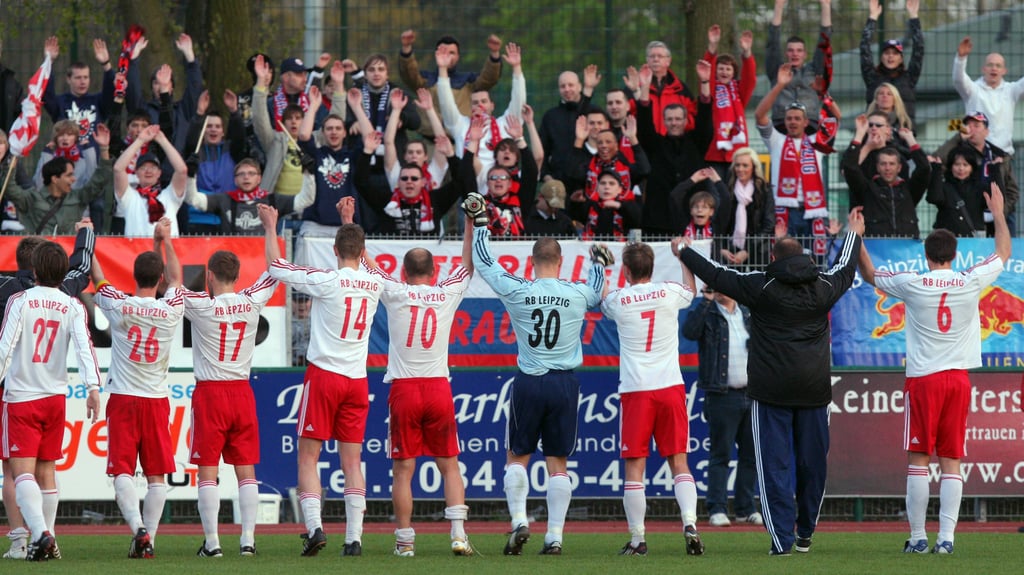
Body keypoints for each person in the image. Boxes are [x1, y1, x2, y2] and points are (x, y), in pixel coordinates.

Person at [677, 211, 862, 556]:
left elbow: (716, 274)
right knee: (813, 465)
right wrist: (853, 233)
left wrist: (684, 251)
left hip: (770, 393)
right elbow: (845, 267)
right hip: (814, 391)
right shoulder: (822, 288)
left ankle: (782, 540)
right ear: (805, 259)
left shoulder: (761, 287)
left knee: (774, 466)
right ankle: (805, 533)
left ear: (773, 258)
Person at [854, 183, 1010, 555]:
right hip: (958, 379)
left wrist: (855, 237)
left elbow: (870, 274)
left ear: (925, 255)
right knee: (952, 459)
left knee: (919, 459)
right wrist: (999, 214)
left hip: (923, 380)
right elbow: (1003, 251)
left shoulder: (912, 283)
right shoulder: (970, 279)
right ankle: (947, 540)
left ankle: (919, 537)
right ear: (955, 255)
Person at [467, 192, 607, 555]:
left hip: (529, 380)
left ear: (532, 261)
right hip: (564, 383)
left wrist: (481, 222)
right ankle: (555, 535)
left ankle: (518, 521)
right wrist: (598, 263)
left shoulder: (518, 289)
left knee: (517, 456)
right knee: (558, 461)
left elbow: (484, 264)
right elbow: (596, 292)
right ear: (561, 261)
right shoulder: (577, 293)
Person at [259, 199, 386, 557]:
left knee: (307, 457)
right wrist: (348, 221)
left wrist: (271, 228)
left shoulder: (327, 280)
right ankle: (354, 538)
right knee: (352, 461)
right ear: (362, 251)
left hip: (325, 375)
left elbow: (277, 266)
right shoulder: (374, 282)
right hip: (357, 380)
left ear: (334, 251)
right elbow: (370, 266)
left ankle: (315, 527)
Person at [377, 217, 476, 557]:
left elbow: (366, 264)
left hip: (405, 389)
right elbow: (467, 265)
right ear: (434, 272)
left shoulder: (394, 291)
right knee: (449, 463)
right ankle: (459, 535)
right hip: (437, 388)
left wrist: (349, 223)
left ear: (403, 273)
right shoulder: (446, 292)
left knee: (403, 469)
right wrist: (468, 224)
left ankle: (405, 542)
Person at [601, 241, 704, 556]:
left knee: (635, 465)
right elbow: (692, 288)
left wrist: (602, 267)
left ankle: (638, 539)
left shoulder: (620, 299)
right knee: (679, 461)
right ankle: (690, 523)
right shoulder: (669, 292)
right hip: (671, 387)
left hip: (637, 390)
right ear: (652, 268)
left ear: (627, 270)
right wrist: (683, 256)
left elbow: (601, 297)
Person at [0, 241, 101, 561]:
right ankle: (51, 540)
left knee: (22, 472)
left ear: (33, 270)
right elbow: (86, 348)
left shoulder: (20, 299)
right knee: (47, 471)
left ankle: (40, 534)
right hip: (55, 397)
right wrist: (93, 387)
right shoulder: (72, 305)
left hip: (21, 397)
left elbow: (5, 346)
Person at [93, 218, 183, 558]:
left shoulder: (119, 304)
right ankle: (150, 540)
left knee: (121, 470)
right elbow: (176, 278)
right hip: (157, 399)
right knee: (157, 476)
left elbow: (97, 277)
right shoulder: (172, 309)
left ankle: (138, 530)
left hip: (124, 398)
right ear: (158, 279)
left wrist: (87, 236)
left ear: (133, 277)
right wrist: (166, 240)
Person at [181, 249, 279, 557]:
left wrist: (165, 243)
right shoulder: (251, 302)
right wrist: (271, 228)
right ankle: (248, 541)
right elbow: (275, 270)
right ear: (237, 276)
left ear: (209, 275)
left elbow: (172, 284)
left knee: (208, 470)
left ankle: (213, 543)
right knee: (245, 469)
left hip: (211, 392)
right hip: (241, 392)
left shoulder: (201, 306)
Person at [682, 286, 761, 529]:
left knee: (750, 455)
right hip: (722, 394)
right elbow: (689, 331)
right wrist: (705, 301)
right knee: (720, 454)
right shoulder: (708, 313)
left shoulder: (747, 312)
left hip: (752, 392)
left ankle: (745, 507)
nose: (715, 289)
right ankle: (716, 507)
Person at [755, 64, 838, 246]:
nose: (793, 122)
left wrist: (823, 95)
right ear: (784, 121)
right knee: (784, 258)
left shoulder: (817, 141)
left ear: (806, 121)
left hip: (813, 211)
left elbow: (834, 119)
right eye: (789, 118)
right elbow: (760, 115)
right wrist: (779, 85)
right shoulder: (776, 140)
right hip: (784, 211)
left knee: (814, 261)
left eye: (797, 118)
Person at [634, 60, 712, 238]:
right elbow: (645, 124)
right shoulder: (655, 144)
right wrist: (645, 87)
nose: (674, 123)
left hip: (690, 217)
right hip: (658, 219)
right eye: (669, 119)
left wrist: (705, 83)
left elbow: (705, 119)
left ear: (686, 121)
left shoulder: (696, 142)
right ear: (664, 121)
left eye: (678, 119)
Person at [436, 42, 525, 193]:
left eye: (484, 102)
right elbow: (446, 103)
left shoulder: (505, 124)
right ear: (470, 108)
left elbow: (519, 100)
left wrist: (517, 69)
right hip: (470, 193)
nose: (480, 106)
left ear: (492, 105)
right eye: (475, 103)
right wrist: (443, 70)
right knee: (472, 216)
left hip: (501, 192)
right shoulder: (460, 125)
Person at [1, 125, 112, 236]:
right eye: (68, 175)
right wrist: (12, 161)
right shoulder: (32, 198)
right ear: (55, 179)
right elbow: (9, 188)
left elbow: (100, 180)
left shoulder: (78, 198)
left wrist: (104, 149)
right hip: (38, 251)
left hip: (68, 252)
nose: (73, 179)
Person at [843, 125, 930, 238]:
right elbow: (850, 168)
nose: (887, 168)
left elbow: (924, 168)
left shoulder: (909, 190)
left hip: (906, 249)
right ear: (877, 167)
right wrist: (859, 135)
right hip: (875, 251)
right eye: (883, 164)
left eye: (892, 164)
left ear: (899, 168)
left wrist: (910, 139)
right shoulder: (867, 189)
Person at [766, 0, 833, 132]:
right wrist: (778, 6)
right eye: (791, 50)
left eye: (799, 50)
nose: (795, 54)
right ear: (786, 53)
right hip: (782, 124)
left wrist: (826, 6)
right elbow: (773, 44)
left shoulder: (814, 70)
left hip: (810, 125)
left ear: (805, 54)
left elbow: (824, 43)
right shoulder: (777, 70)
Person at [112, 125, 188, 237]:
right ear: (136, 173)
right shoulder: (129, 197)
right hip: (137, 252)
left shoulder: (169, 196)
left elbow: (182, 170)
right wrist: (140, 140)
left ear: (159, 173)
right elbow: (118, 169)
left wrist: (162, 140)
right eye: (143, 168)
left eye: (153, 167)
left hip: (165, 252)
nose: (148, 171)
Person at [703, 26, 757, 176]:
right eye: (721, 69)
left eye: (728, 69)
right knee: (717, 195)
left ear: (734, 73)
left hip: (737, 153)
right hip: (715, 153)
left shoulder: (739, 92)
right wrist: (712, 48)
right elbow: (707, 72)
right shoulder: (711, 88)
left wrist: (747, 53)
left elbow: (750, 79)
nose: (724, 72)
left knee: (735, 194)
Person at [860, 0, 924, 125]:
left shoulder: (909, 77)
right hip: (875, 134)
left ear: (901, 58)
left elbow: (919, 50)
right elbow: (864, 49)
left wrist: (914, 17)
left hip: (903, 135)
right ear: (881, 57)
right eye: (887, 53)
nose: (890, 56)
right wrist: (872, 18)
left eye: (895, 53)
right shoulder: (872, 77)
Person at [717, 148, 775, 268]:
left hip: (758, 249)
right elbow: (720, 222)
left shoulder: (765, 189)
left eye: (745, 165)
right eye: (737, 165)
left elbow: (769, 224)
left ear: (753, 167)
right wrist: (722, 248)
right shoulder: (727, 188)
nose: (740, 169)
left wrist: (747, 250)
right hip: (731, 250)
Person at [538, 66, 599, 181]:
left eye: (571, 85)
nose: (567, 89)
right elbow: (542, 151)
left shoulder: (594, 112)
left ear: (580, 86)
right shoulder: (550, 116)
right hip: (559, 180)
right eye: (562, 86)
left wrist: (588, 92)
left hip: (590, 179)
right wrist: (547, 177)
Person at [926, 148, 989, 237]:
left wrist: (995, 170)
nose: (961, 168)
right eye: (957, 164)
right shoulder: (944, 186)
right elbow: (934, 198)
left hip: (973, 240)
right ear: (951, 166)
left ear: (972, 168)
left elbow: (994, 202)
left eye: (965, 165)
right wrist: (936, 169)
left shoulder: (979, 187)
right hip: (946, 238)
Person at [568, 168, 641, 240]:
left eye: (611, 184)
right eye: (603, 183)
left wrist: (619, 206)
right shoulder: (590, 206)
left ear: (620, 189)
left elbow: (637, 219)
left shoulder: (629, 206)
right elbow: (573, 217)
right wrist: (574, 203)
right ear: (597, 188)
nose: (606, 187)